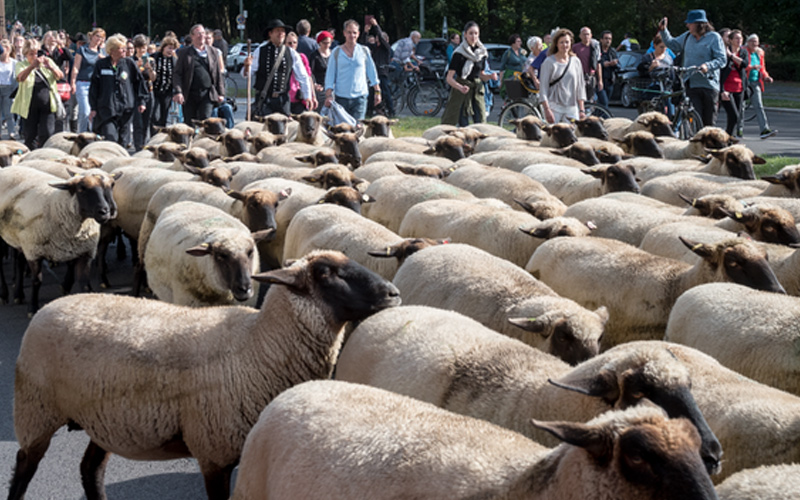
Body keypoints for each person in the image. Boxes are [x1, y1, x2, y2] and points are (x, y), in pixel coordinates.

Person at [659, 9, 726, 128]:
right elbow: (672, 44)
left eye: (690, 23)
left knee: (709, 122)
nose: (687, 25)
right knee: (695, 118)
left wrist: (707, 66)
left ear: (699, 24)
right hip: (691, 83)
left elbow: (722, 59)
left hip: (709, 85)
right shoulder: (687, 36)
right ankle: (694, 141)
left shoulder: (714, 38)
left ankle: (708, 145)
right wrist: (664, 31)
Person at [243, 19, 313, 117]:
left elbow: (303, 76)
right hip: (265, 100)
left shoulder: (291, 53)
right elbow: (247, 75)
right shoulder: (260, 51)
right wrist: (246, 66)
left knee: (283, 130)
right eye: (277, 31)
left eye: (282, 31)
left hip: (283, 100)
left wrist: (307, 96)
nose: (281, 34)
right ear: (270, 34)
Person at [89, 34, 148, 147]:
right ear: (112, 50)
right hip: (106, 110)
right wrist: (93, 107)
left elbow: (139, 83)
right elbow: (94, 87)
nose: (125, 51)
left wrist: (141, 101)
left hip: (125, 109)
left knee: (123, 142)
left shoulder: (129, 64)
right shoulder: (101, 65)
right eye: (122, 49)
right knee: (110, 139)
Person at [441, 21, 498, 126]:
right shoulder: (458, 53)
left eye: (476, 33)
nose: (473, 36)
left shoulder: (482, 53)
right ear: (465, 35)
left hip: (477, 89)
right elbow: (449, 78)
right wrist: (460, 87)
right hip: (461, 89)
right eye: (471, 33)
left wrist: (490, 76)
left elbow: (481, 75)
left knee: (481, 122)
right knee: (463, 124)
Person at [11, 38, 64, 150]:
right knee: (30, 136)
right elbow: (20, 78)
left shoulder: (47, 61)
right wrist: (31, 67)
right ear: (26, 54)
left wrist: (50, 67)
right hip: (29, 106)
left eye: (37, 53)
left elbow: (60, 75)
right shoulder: (21, 64)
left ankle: (45, 156)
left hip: (48, 105)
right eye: (31, 54)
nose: (35, 56)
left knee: (47, 133)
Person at [324, 19, 381, 121]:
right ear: (344, 33)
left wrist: (377, 91)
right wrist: (328, 95)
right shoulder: (336, 52)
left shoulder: (364, 51)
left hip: (360, 97)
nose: (352, 35)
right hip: (341, 97)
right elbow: (330, 75)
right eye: (349, 32)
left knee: (357, 130)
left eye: (354, 32)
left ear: (358, 34)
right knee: (342, 131)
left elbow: (372, 72)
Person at [173, 24, 225, 124]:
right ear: (192, 36)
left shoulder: (213, 52)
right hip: (190, 94)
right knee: (189, 122)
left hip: (207, 93)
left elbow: (218, 73)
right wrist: (178, 91)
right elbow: (177, 74)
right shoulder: (184, 53)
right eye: (198, 34)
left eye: (203, 33)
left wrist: (221, 93)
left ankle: (203, 140)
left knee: (205, 121)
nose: (201, 36)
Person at [538, 28, 586, 124]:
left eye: (567, 42)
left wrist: (581, 109)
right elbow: (543, 87)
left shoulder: (575, 61)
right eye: (562, 42)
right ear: (556, 44)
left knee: (572, 136)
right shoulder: (549, 62)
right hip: (554, 106)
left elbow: (580, 86)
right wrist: (546, 109)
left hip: (571, 107)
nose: (565, 45)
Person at [71, 27, 106, 133]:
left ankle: (93, 133)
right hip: (83, 83)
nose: (99, 39)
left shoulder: (102, 52)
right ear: (92, 36)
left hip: (96, 85)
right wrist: (73, 82)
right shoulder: (82, 50)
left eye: (102, 37)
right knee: (85, 112)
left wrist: (103, 59)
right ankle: (82, 134)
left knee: (94, 112)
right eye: (97, 36)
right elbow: (76, 67)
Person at [745, 33, 777, 139]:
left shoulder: (760, 53)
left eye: (756, 41)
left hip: (755, 82)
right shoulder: (744, 51)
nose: (754, 43)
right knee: (740, 108)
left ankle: (764, 129)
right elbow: (742, 66)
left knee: (759, 106)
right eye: (752, 41)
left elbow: (762, 68)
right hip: (743, 83)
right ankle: (738, 131)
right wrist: (751, 67)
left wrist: (766, 77)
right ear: (748, 42)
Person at [41, 30, 73, 132]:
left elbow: (69, 57)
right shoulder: (41, 51)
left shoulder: (59, 51)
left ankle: (59, 132)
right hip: (45, 83)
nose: (52, 39)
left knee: (61, 109)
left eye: (54, 37)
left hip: (59, 83)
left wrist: (60, 44)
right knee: (47, 110)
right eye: (49, 37)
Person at [638, 34, 675, 117]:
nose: (664, 50)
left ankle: (673, 121)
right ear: (655, 45)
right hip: (654, 86)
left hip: (668, 85)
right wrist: (651, 67)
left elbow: (673, 72)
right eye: (661, 47)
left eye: (665, 47)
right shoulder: (648, 57)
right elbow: (641, 73)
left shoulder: (668, 58)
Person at [363, 17, 394, 117]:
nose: (377, 39)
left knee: (385, 92)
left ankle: (391, 111)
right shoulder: (374, 48)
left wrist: (376, 26)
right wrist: (365, 32)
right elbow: (363, 44)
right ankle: (369, 111)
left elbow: (381, 37)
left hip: (382, 72)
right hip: (374, 73)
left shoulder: (386, 48)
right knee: (371, 94)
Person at [719, 29, 747, 137]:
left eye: (741, 38)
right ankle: (727, 137)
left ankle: (728, 138)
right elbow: (720, 72)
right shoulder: (723, 52)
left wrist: (731, 56)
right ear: (730, 40)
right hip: (726, 88)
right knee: (733, 115)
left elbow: (744, 64)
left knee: (736, 117)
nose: (739, 40)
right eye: (736, 38)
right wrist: (722, 90)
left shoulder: (743, 52)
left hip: (739, 88)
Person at [131, 34, 155, 151]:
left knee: (147, 120)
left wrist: (150, 68)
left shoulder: (150, 60)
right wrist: (137, 66)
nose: (142, 50)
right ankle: (138, 146)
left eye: (144, 47)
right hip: (135, 94)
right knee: (138, 122)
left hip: (149, 91)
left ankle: (144, 144)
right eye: (139, 47)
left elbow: (154, 78)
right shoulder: (131, 61)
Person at [151, 35, 178, 132]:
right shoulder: (155, 57)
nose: (171, 50)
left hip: (167, 92)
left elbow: (176, 77)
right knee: (155, 115)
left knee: (164, 116)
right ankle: (153, 134)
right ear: (163, 47)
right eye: (169, 48)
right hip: (155, 91)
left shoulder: (174, 61)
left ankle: (161, 135)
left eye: (173, 49)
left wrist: (176, 92)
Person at [285, 32, 317, 115]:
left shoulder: (302, 57)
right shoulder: (281, 57)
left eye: (294, 42)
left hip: (299, 96)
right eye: (289, 43)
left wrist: (313, 96)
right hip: (286, 96)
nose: (292, 45)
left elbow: (308, 77)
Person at [574, 27, 602, 103]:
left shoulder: (595, 47)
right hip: (579, 76)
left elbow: (598, 64)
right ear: (580, 36)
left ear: (591, 35)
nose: (586, 36)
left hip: (591, 76)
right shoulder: (575, 47)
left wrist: (600, 80)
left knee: (591, 100)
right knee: (580, 98)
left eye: (588, 34)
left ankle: (589, 113)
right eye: (584, 34)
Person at [309, 31, 333, 111]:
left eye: (328, 43)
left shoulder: (333, 54)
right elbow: (310, 72)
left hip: (333, 87)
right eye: (324, 43)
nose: (327, 45)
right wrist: (315, 84)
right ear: (319, 43)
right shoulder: (314, 55)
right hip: (320, 87)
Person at [0, 40, 18, 139]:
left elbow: (16, 77)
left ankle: (12, 132)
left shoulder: (14, 62)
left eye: (5, 48)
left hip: (9, 89)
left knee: (9, 113)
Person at [597, 30, 618, 107]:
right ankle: (607, 118)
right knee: (604, 103)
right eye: (606, 38)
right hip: (599, 81)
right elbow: (593, 63)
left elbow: (618, 65)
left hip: (610, 81)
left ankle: (597, 117)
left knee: (602, 105)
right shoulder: (596, 50)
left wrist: (614, 63)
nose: (608, 41)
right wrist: (603, 64)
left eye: (610, 39)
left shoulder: (612, 51)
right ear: (601, 39)